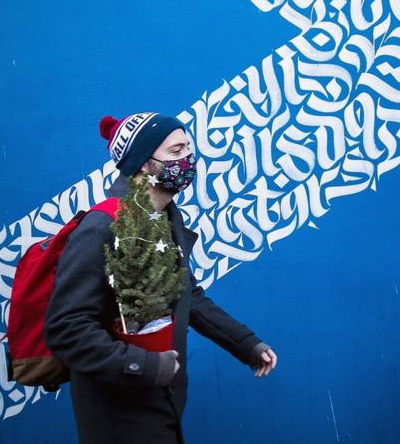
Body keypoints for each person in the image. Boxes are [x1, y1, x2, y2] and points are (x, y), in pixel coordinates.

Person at [45, 112, 277, 444]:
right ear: (142, 163)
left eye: (188, 149)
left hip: (164, 403)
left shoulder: (165, 219)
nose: (188, 160)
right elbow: (66, 328)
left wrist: (245, 343)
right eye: (176, 151)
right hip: (118, 415)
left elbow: (187, 295)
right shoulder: (101, 228)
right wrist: (145, 366)